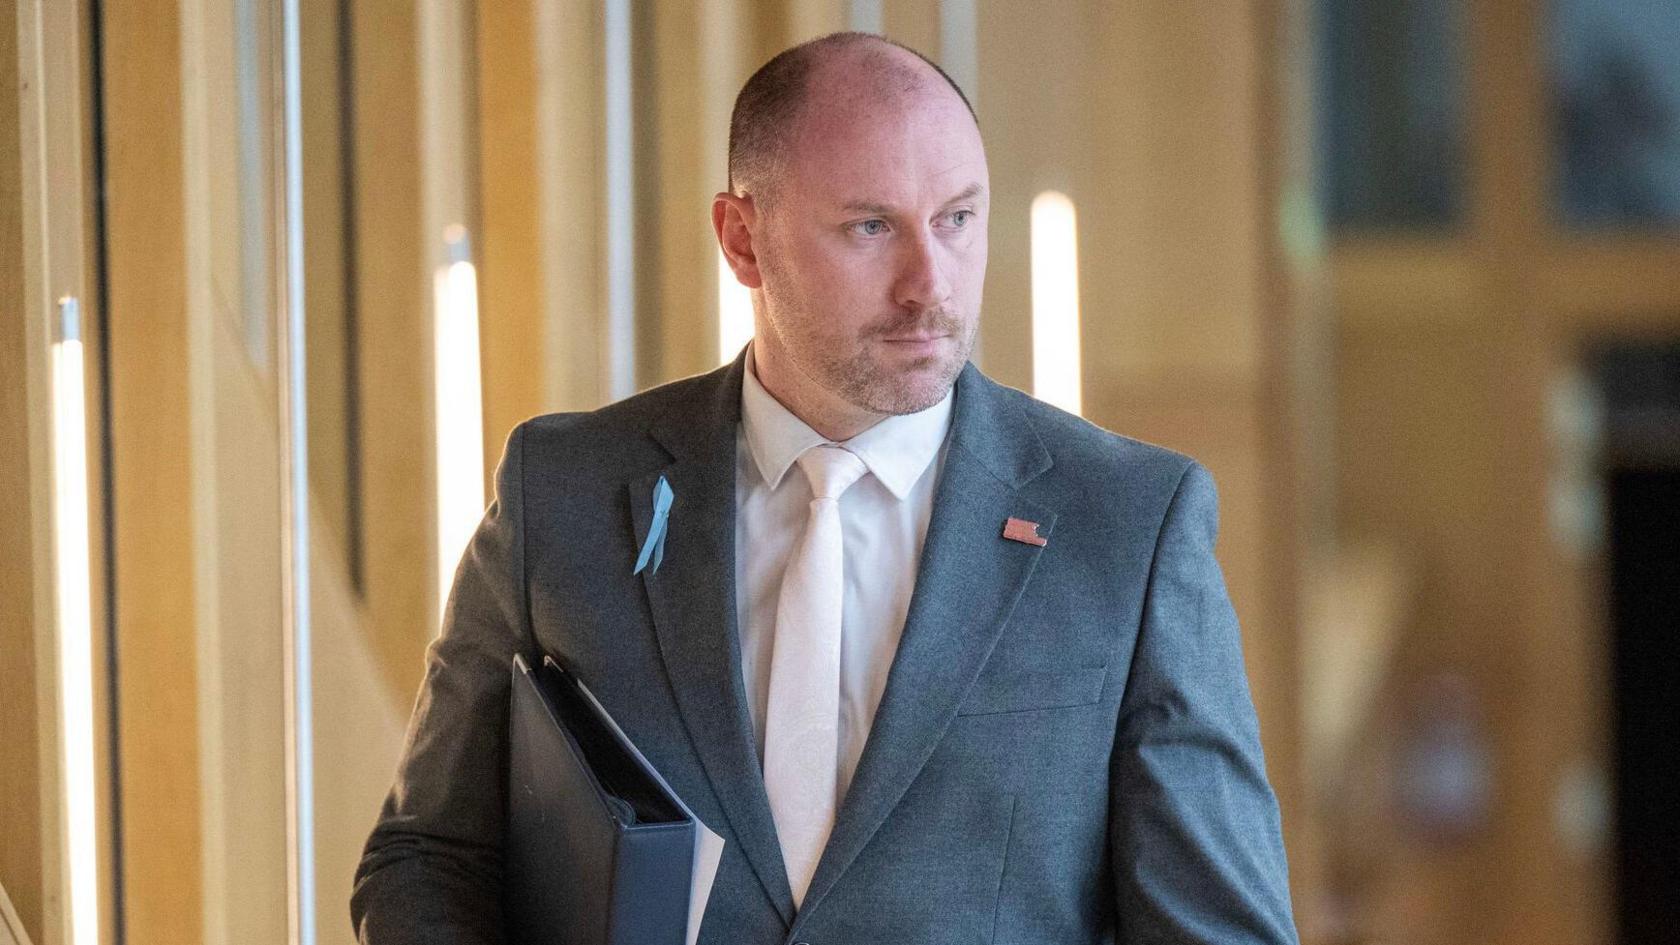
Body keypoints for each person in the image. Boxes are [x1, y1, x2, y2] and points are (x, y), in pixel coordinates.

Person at [351, 31, 1298, 945]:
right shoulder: (565, 493)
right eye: (870, 227)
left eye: (958, 218)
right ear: (742, 241)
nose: (932, 283)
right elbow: (427, 857)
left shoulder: (1128, 525)